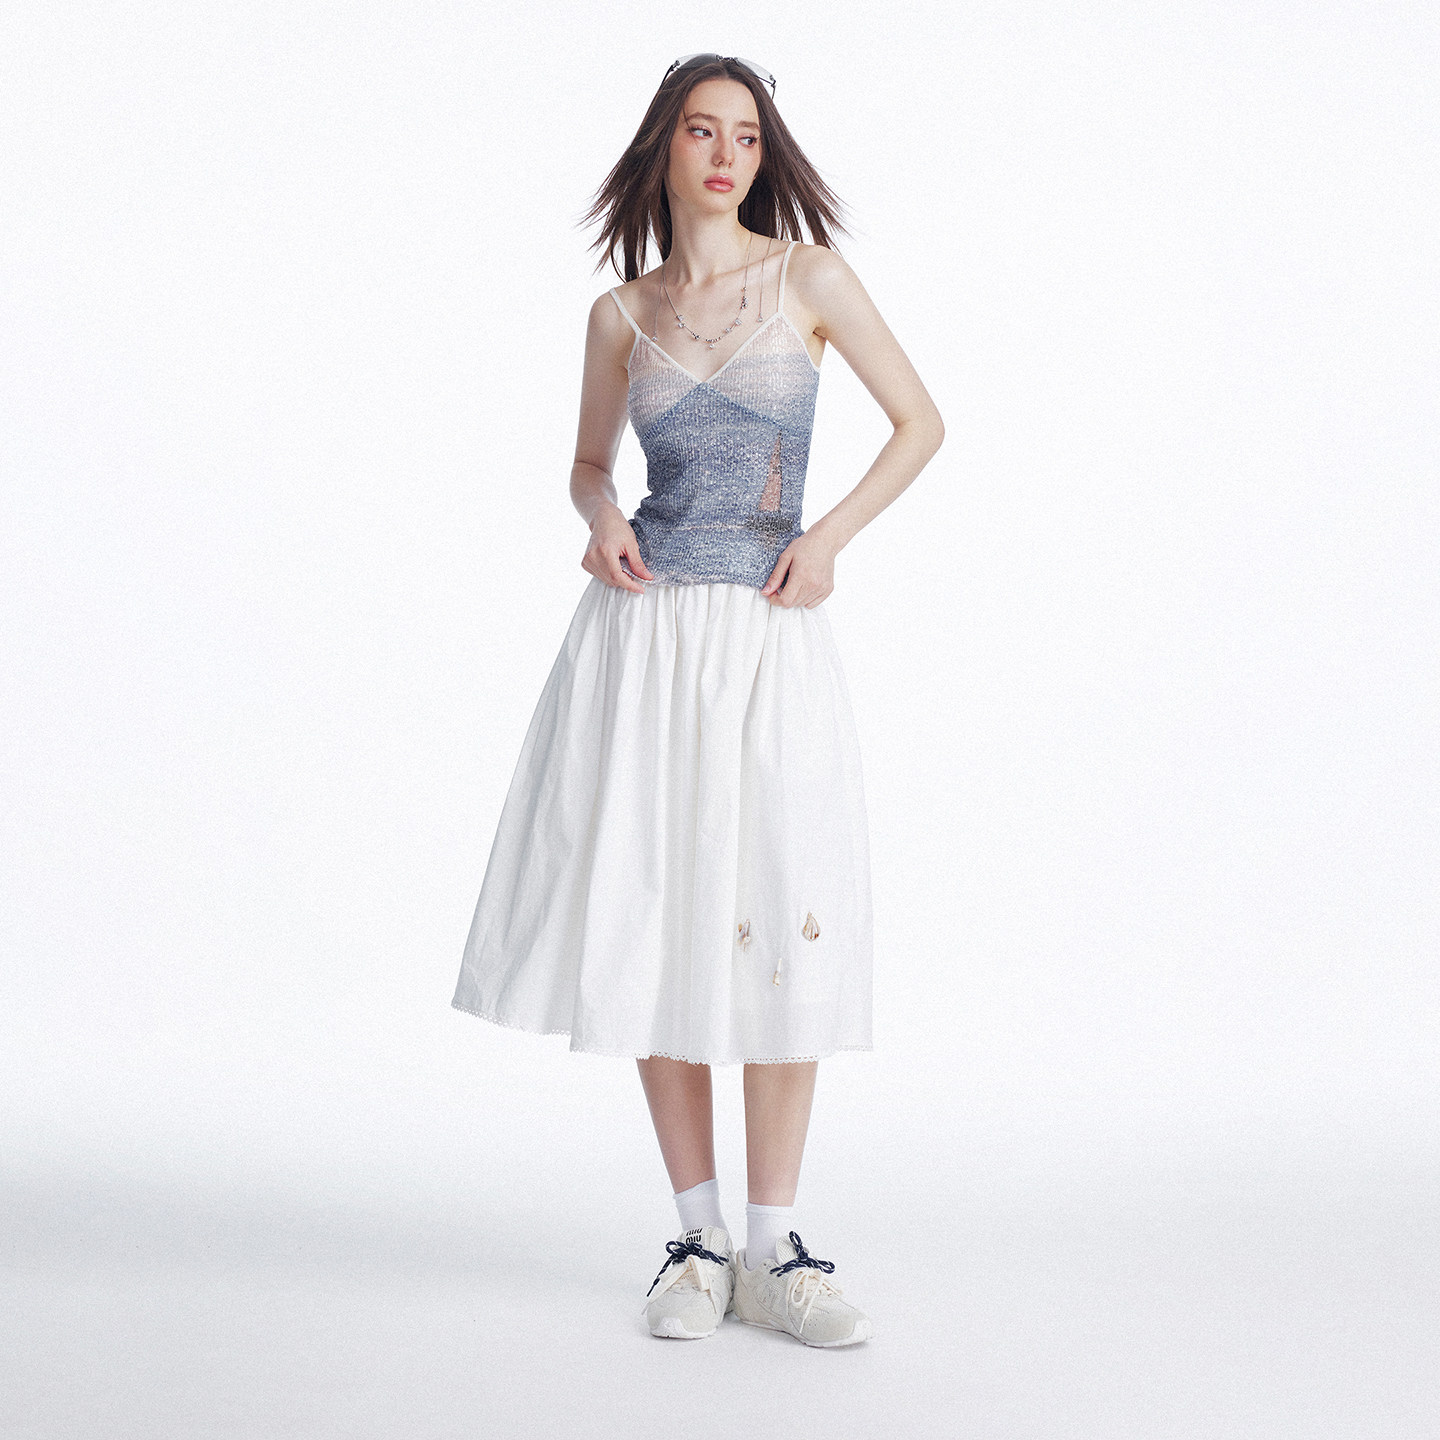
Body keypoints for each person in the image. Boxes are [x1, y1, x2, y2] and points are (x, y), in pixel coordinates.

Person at [451, 53, 944, 1347]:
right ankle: (700, 1239)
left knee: (779, 904)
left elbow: (920, 424)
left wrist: (827, 540)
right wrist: (601, 514)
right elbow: (586, 461)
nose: (726, 155)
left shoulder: (809, 279)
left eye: (746, 135)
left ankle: (779, 1249)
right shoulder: (621, 315)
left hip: (768, 636)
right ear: (662, 149)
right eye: (701, 131)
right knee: (655, 913)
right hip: (648, 636)